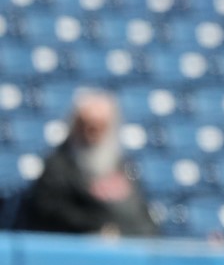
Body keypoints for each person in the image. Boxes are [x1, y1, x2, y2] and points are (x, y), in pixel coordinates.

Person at [16, 90, 158, 237]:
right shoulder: (58, 167)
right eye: (87, 124)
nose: (92, 132)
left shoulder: (121, 168)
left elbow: (141, 217)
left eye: (100, 126)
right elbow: (50, 211)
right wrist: (98, 227)